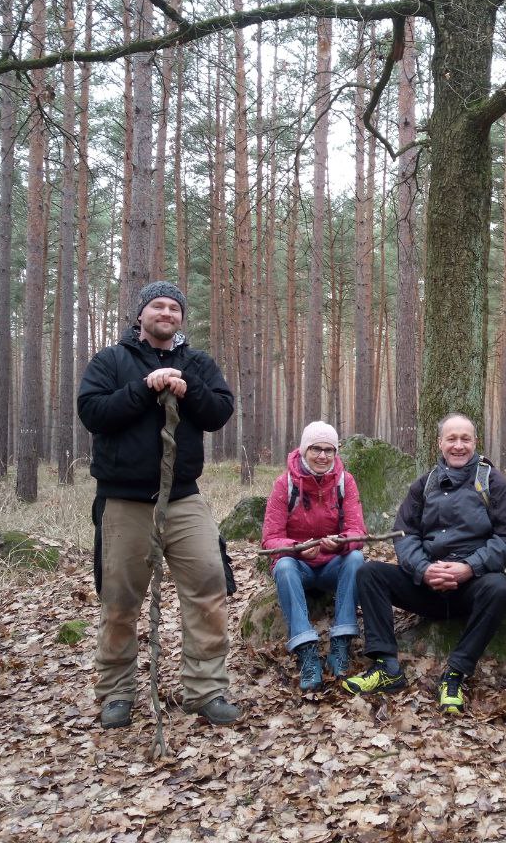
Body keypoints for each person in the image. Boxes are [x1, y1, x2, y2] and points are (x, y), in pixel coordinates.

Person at [77, 280, 241, 729]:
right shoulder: (111, 361)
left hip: (184, 497)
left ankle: (206, 690)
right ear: (140, 314)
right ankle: (116, 693)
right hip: (124, 500)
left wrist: (189, 391)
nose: (166, 313)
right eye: (157, 306)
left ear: (181, 317)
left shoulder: (197, 363)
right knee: (119, 600)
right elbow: (92, 412)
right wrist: (144, 390)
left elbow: (219, 412)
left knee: (209, 586)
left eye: (173, 307)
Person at [342, 413, 506, 714]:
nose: (458, 446)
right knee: (369, 572)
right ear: (440, 443)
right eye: (451, 438)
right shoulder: (424, 485)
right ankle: (387, 666)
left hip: (471, 587)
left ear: (475, 442)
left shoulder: (493, 482)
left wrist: (469, 567)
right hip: (426, 586)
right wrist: (424, 569)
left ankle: (455, 673)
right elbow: (405, 534)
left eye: (465, 439)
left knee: (499, 589)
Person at [262, 421, 366, 692]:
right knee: (283, 565)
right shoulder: (284, 484)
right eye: (316, 449)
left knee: (356, 560)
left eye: (329, 450)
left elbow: (357, 531)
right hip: (299, 566)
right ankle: (306, 650)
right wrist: (296, 547)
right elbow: (270, 538)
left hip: (332, 564)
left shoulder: (345, 481)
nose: (322, 456)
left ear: (336, 452)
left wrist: (340, 545)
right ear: (304, 449)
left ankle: (341, 643)